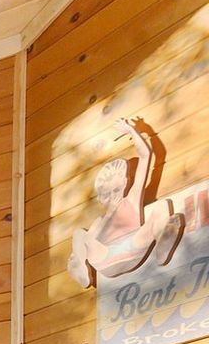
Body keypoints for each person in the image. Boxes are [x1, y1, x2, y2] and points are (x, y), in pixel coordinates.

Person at [67, 117, 184, 287]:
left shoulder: (131, 199)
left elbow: (146, 156)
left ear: (124, 185)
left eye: (115, 189)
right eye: (106, 193)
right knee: (80, 234)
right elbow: (87, 241)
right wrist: (79, 254)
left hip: (132, 246)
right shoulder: (99, 223)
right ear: (100, 197)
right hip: (104, 258)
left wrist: (133, 132)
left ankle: (163, 245)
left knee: (162, 206)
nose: (112, 196)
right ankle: (81, 269)